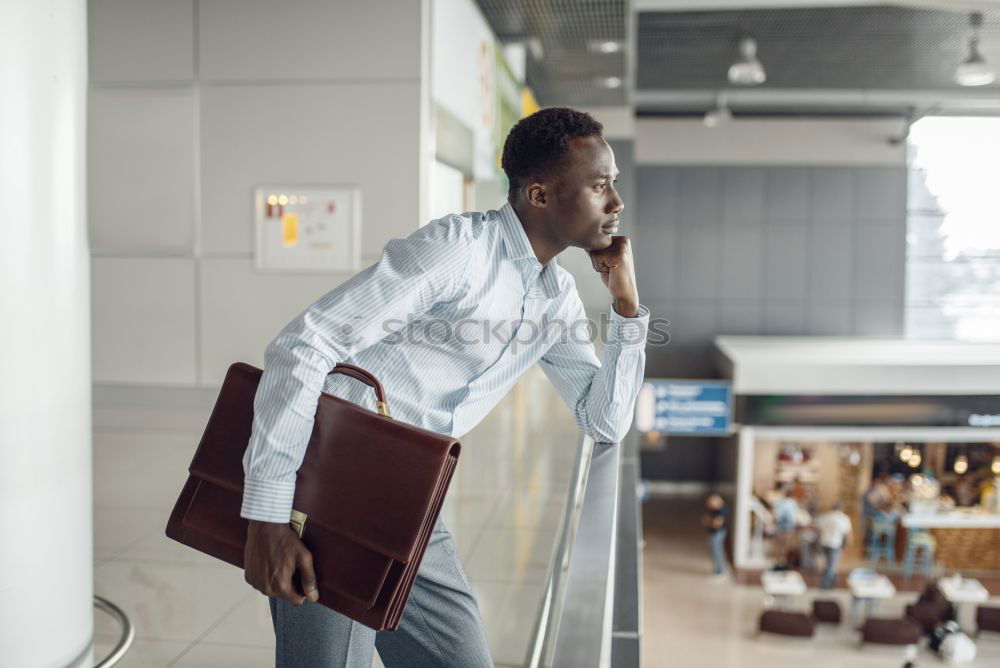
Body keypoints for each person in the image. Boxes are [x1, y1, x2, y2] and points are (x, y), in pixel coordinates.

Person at [239, 108, 649, 667]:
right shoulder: (459, 249)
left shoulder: (556, 297)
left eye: (614, 185)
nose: (616, 202)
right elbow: (304, 344)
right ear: (540, 195)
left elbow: (603, 420)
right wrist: (266, 515)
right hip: (335, 486)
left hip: (412, 496)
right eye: (600, 185)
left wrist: (627, 310)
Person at [816, 502, 853, 589]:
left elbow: (819, 529)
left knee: (829, 563)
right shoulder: (843, 518)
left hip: (824, 542)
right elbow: (847, 533)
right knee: (831, 565)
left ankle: (833, 581)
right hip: (834, 544)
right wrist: (848, 543)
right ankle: (824, 585)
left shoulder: (825, 516)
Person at [701, 494, 729, 579]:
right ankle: (718, 569)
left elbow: (717, 524)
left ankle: (720, 571)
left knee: (717, 551)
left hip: (717, 534)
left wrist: (707, 521)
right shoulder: (716, 510)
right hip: (716, 533)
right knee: (716, 551)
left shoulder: (720, 511)